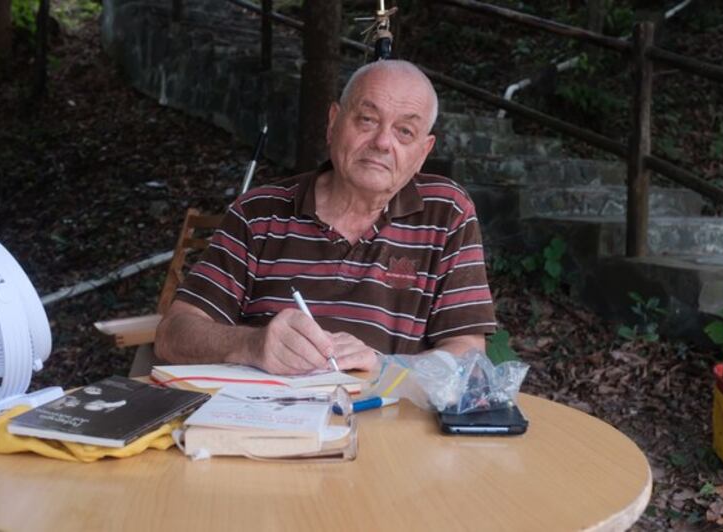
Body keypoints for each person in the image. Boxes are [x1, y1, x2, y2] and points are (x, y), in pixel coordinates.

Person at [154, 60, 496, 375]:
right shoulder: (258, 213)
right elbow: (174, 333)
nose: (382, 142)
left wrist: (383, 365)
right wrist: (250, 345)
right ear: (333, 123)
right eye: (367, 119)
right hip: (268, 426)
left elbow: (468, 353)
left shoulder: (446, 212)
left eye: (404, 131)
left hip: (390, 429)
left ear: (423, 152)